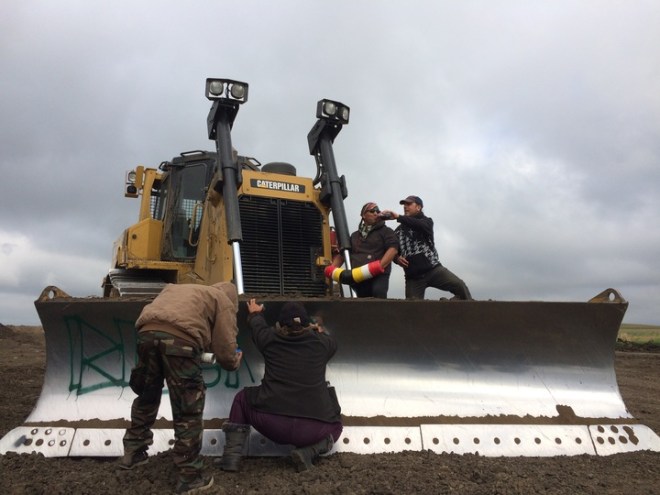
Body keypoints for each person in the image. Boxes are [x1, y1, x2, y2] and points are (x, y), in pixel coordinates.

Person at [119, 282, 242, 495]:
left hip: (146, 335)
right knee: (188, 407)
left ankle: (133, 452)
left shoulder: (181, 289)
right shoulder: (223, 301)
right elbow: (224, 347)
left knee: (147, 395)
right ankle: (189, 475)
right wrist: (233, 361)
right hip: (180, 342)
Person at [220, 299, 342, 473]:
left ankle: (231, 458)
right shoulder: (323, 344)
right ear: (308, 324)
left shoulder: (269, 339)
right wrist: (320, 329)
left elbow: (258, 327)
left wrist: (255, 313)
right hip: (313, 430)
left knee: (241, 399)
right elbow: (330, 339)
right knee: (336, 423)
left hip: (272, 424)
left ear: (280, 324)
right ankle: (309, 452)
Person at [380, 195, 472, 301]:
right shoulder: (398, 231)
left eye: (409, 204)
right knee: (412, 308)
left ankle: (472, 312)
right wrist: (397, 259)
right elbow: (393, 250)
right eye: (404, 205)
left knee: (460, 286)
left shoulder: (427, 221)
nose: (405, 207)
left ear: (418, 207)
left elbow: (420, 225)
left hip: (434, 270)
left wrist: (398, 217)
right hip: (413, 277)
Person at [326, 201, 399, 298]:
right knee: (362, 303)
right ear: (363, 215)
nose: (375, 213)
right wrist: (331, 269)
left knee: (378, 296)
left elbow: (393, 249)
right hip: (358, 276)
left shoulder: (386, 231)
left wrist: (379, 266)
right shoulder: (354, 235)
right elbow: (343, 254)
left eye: (377, 211)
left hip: (378, 275)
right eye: (372, 211)